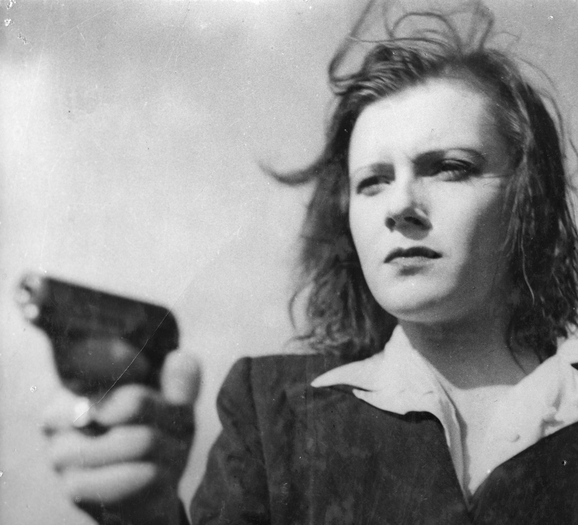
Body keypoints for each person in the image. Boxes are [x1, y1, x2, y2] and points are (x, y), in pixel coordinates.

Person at [42, 2, 578, 524]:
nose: (399, 207)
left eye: (449, 168)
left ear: (530, 197)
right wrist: (143, 516)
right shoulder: (272, 410)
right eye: (373, 181)